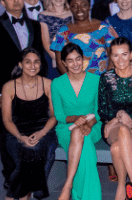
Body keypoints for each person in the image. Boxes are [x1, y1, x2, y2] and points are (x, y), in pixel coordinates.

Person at [0, 0, 48, 188]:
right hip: (6, 89)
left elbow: (41, 59)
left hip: (33, 89)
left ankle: (33, 173)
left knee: (33, 128)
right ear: (3, 2)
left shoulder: (35, 26)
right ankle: (10, 177)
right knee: (7, 132)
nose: (16, 0)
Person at [1, 48, 57, 200]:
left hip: (45, 132)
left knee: (30, 157)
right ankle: (31, 192)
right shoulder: (9, 87)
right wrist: (21, 137)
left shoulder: (48, 84)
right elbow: (7, 120)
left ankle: (11, 197)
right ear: (20, 64)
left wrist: (41, 133)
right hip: (16, 134)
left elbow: (54, 115)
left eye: (36, 62)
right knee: (29, 154)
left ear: (40, 64)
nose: (32, 66)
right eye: (28, 62)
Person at [51, 43, 104, 200]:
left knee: (80, 134)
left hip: (92, 125)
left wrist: (88, 123)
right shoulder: (57, 83)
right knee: (84, 146)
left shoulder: (96, 80)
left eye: (78, 59)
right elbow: (59, 115)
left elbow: (99, 111)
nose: (75, 64)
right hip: (66, 128)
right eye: (70, 60)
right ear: (64, 63)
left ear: (83, 60)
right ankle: (86, 195)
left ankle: (68, 186)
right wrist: (75, 119)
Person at [97, 37, 132, 200]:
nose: (120, 59)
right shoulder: (106, 77)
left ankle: (122, 187)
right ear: (110, 56)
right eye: (115, 55)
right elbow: (102, 110)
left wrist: (125, 116)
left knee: (116, 149)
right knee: (122, 129)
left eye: (124, 54)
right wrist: (119, 117)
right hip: (113, 128)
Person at [51, 0, 117, 75]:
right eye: (74, 6)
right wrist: (72, 82)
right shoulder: (62, 32)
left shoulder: (104, 28)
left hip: (101, 82)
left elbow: (113, 56)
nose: (79, 9)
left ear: (89, 6)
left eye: (84, 5)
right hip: (75, 84)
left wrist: (105, 81)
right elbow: (59, 62)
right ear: (69, 8)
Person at [38, 0, 73, 79]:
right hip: (52, 58)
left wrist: (70, 60)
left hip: (72, 58)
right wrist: (60, 61)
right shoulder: (43, 16)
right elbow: (46, 43)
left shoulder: (73, 14)